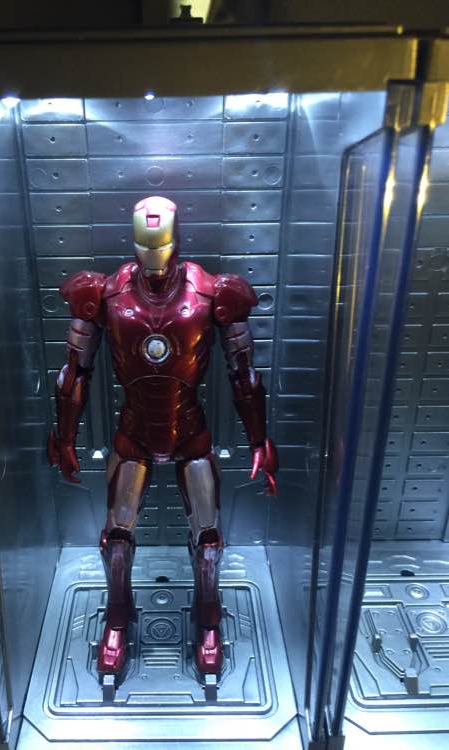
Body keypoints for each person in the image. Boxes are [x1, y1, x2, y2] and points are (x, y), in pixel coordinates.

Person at [48, 196, 278, 678]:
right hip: (134, 430)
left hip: (189, 430)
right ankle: (117, 618)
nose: (154, 262)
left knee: (208, 539)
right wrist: (64, 437)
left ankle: (208, 620)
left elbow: (244, 375)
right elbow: (74, 374)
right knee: (117, 539)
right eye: (145, 248)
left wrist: (260, 439)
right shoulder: (103, 293)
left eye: (161, 247)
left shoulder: (213, 292)